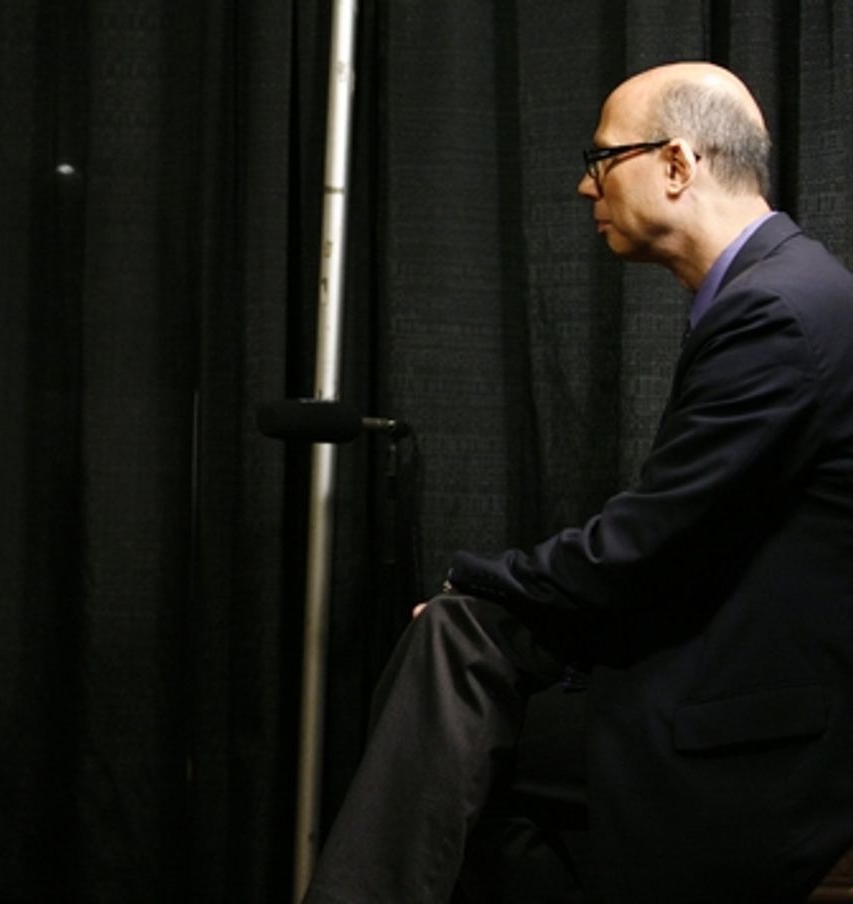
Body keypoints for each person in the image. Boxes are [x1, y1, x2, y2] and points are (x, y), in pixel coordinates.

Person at [305, 61, 853, 903]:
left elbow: (645, 543)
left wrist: (475, 578)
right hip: (723, 682)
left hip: (761, 742)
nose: (582, 185)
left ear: (677, 165)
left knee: (456, 652)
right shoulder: (780, 288)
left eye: (602, 159)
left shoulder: (776, 312)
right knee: (460, 654)